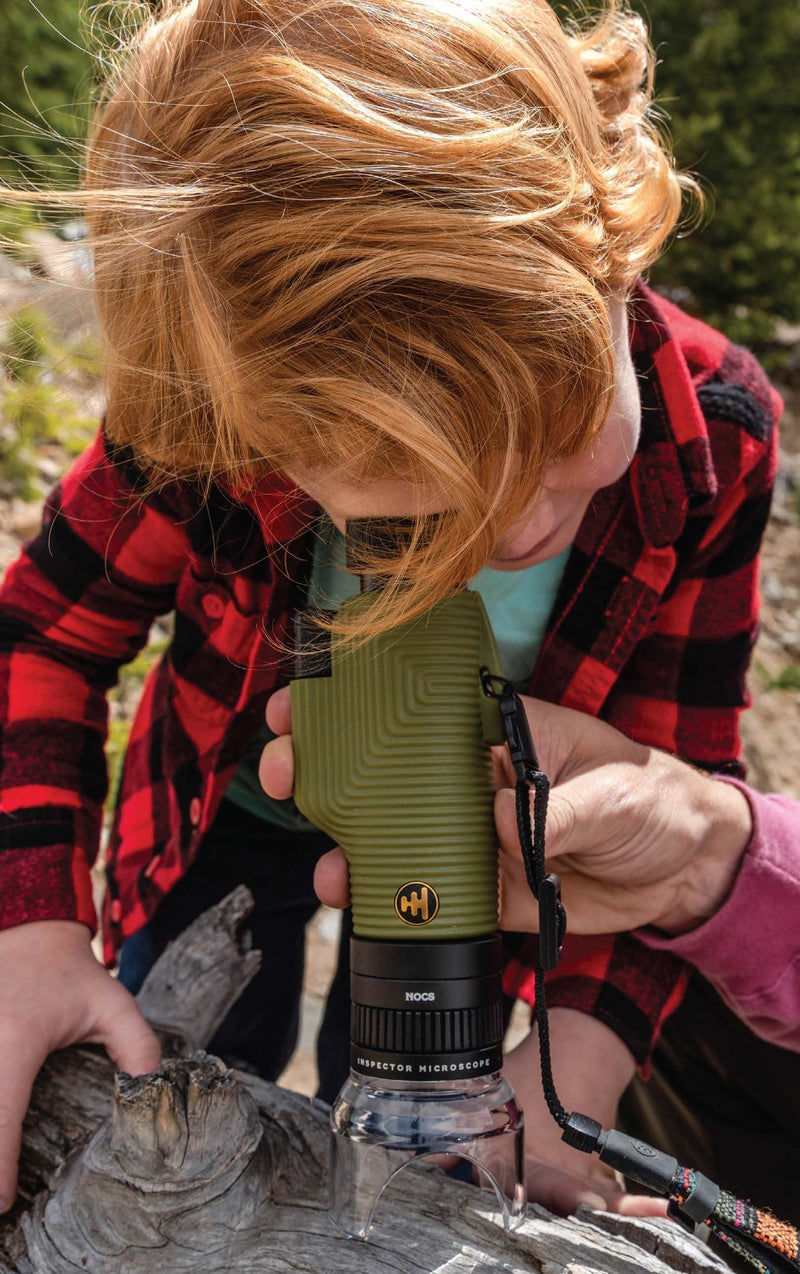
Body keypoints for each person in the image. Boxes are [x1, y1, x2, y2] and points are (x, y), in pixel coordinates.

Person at [0, 0, 783, 1223]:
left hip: (487, 849)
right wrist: (28, 929)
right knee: (183, 1075)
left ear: (606, 234)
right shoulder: (211, 415)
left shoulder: (712, 440)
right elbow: (40, 634)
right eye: (415, 514)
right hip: (230, 813)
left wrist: (574, 1058)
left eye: (553, 432)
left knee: (422, 1129)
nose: (509, 525)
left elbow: (668, 778)